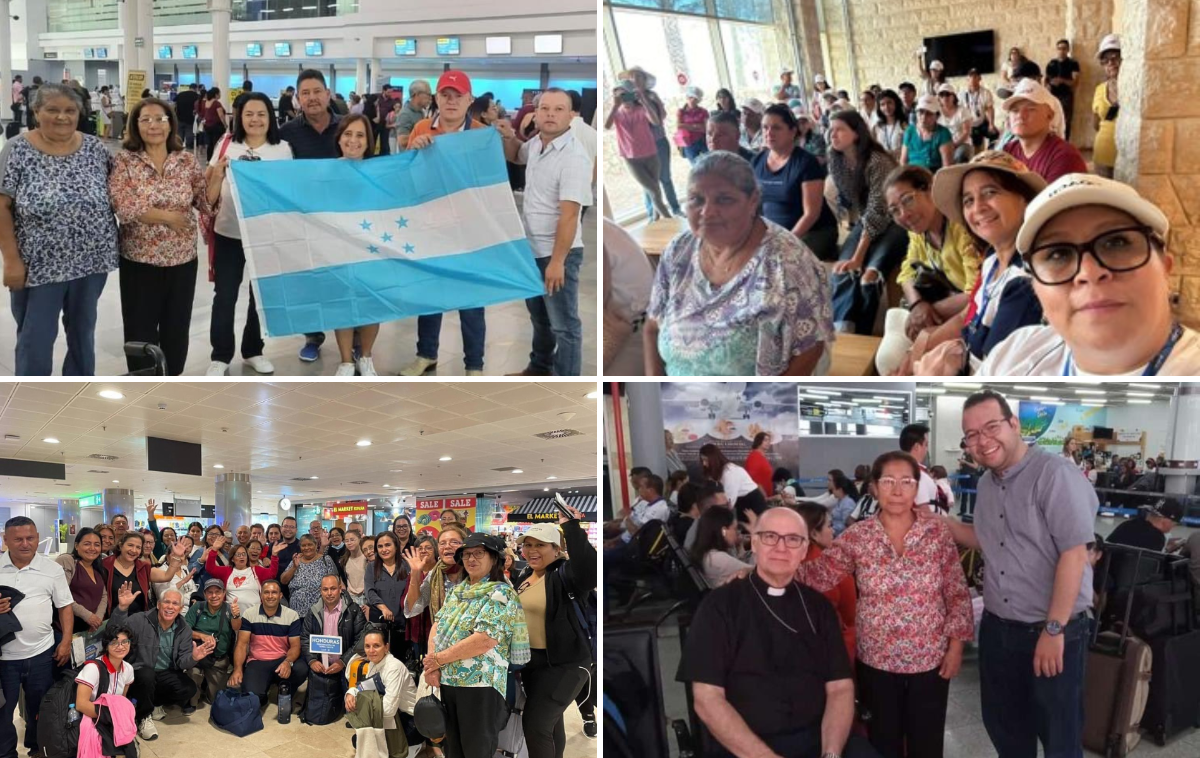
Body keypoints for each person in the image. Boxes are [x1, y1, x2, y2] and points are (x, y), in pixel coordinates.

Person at [944, 390, 1098, 758]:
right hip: (999, 631)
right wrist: (942, 524)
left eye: (991, 427)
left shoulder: (1055, 474)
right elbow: (987, 539)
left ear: (1014, 424)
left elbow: (1074, 555)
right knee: (1005, 729)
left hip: (1053, 631)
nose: (982, 440)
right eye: (972, 434)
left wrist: (1054, 629)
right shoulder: (986, 484)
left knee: (1059, 736)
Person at [797, 452, 973, 758]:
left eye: (906, 482)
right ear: (874, 488)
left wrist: (956, 646)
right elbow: (817, 575)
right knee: (883, 743)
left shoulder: (936, 534)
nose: (897, 490)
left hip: (930, 659)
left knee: (927, 744)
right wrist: (761, 572)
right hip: (876, 660)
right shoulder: (858, 537)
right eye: (888, 481)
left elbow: (956, 592)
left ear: (917, 487)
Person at [676, 507, 877, 758]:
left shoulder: (819, 607)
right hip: (743, 746)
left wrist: (831, 753)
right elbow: (707, 699)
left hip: (820, 738)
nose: (781, 548)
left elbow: (840, 688)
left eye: (793, 539)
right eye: (770, 536)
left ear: (804, 550)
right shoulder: (718, 607)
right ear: (755, 543)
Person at [980, 173, 1200, 375]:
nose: (1089, 272)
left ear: (1165, 267)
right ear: (1036, 288)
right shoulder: (1012, 356)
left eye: (1116, 243)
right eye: (1058, 254)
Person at [644, 150, 833, 375]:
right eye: (696, 199)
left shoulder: (788, 263)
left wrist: (765, 407)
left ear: (752, 201)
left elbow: (810, 350)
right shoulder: (678, 252)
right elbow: (652, 327)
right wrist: (656, 395)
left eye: (724, 199)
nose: (707, 211)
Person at [0, 83, 117, 376]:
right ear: (37, 112)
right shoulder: (17, 149)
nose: (62, 117)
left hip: (92, 262)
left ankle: (78, 392)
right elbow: (1, 207)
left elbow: (120, 190)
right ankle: (31, 397)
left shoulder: (94, 147)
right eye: (52, 110)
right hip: (38, 265)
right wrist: (11, 261)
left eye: (70, 110)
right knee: (35, 339)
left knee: (82, 334)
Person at [907, 151, 1046, 374]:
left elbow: (993, 376)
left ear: (1025, 200)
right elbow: (969, 319)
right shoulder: (992, 260)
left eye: (990, 192)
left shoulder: (1025, 283)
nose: (977, 208)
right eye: (968, 200)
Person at [396, 71, 490, 377]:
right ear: (436, 98)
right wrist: (414, 151)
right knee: (430, 295)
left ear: (469, 100)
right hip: (431, 227)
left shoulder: (480, 134)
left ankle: (474, 364)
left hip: (468, 231)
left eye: (458, 96)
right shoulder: (423, 128)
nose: (451, 102)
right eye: (445, 95)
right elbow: (408, 177)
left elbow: (488, 184)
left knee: (472, 300)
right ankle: (426, 354)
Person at [108, 96, 210, 375]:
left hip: (183, 261)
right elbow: (124, 206)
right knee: (140, 330)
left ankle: (172, 379)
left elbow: (204, 203)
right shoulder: (125, 161)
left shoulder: (186, 160)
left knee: (177, 327)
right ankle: (143, 384)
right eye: (146, 119)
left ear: (171, 124)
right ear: (135, 125)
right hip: (139, 261)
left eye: (160, 119)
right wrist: (169, 217)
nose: (153, 125)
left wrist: (218, 178)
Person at [497, 88, 591, 378]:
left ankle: (566, 383)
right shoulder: (537, 143)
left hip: (557, 253)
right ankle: (539, 367)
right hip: (531, 249)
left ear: (572, 115)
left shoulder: (574, 158)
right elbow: (517, 156)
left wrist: (557, 262)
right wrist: (507, 135)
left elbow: (570, 214)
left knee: (565, 325)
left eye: (559, 109)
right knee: (540, 319)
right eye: (545, 108)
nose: (551, 114)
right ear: (535, 114)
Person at [205, 92, 291, 377]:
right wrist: (218, 174)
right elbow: (209, 188)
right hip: (229, 232)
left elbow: (289, 192)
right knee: (225, 295)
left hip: (266, 235)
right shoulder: (227, 144)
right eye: (249, 114)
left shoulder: (282, 149)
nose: (255, 119)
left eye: (262, 114)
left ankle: (253, 350)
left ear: (271, 117)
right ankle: (220, 355)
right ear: (239, 118)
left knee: (261, 296)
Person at [422, 533, 530, 758]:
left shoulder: (500, 593)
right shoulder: (457, 591)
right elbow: (438, 625)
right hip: (450, 681)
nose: (471, 559)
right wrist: (433, 664)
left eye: (479, 553)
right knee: (453, 747)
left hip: (480, 685)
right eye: (467, 554)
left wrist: (437, 660)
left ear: (494, 558)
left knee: (477, 749)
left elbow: (484, 640)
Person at [513, 511, 595, 758]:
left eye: (540, 545)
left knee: (535, 726)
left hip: (566, 665)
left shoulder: (567, 575)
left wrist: (571, 526)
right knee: (551, 722)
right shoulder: (526, 575)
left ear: (556, 549)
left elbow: (589, 570)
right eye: (528, 545)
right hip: (534, 663)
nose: (531, 550)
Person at [275, 70, 343, 365]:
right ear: (298, 98)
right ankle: (313, 336)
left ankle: (349, 339)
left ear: (328, 94)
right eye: (306, 93)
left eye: (318, 91)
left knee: (341, 277)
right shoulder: (287, 132)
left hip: (343, 218)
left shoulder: (348, 126)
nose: (312, 98)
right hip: (303, 220)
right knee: (309, 279)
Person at [0, 517, 74, 757]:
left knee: (40, 708)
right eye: (18, 539)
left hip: (42, 653)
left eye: (30, 538)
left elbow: (65, 607)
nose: (25, 544)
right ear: (5, 540)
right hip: (4, 657)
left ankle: (37, 748)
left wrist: (65, 642)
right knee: (2, 711)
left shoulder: (51, 569)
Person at [827, 110, 907, 335]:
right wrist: (854, 256)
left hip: (897, 220)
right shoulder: (836, 160)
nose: (833, 134)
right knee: (843, 270)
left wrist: (859, 255)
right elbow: (857, 205)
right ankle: (843, 329)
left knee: (869, 274)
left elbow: (878, 211)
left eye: (840, 129)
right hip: (867, 220)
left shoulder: (877, 161)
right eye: (831, 129)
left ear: (856, 133)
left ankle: (863, 333)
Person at [886, 165, 981, 343]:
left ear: (930, 190)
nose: (904, 214)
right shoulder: (918, 232)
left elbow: (976, 293)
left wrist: (929, 310)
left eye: (907, 200)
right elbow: (906, 273)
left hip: (973, 314)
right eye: (894, 210)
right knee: (893, 318)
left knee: (894, 349)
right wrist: (917, 305)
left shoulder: (961, 227)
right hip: (945, 305)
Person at [109, 583, 214, 738]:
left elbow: (181, 662)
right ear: (158, 604)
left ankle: (153, 702)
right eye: (166, 602)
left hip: (165, 672)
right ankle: (144, 716)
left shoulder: (184, 629)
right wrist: (122, 608)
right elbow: (113, 632)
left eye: (175, 603)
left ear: (180, 608)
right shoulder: (140, 620)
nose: (170, 607)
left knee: (188, 689)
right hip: (139, 672)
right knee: (147, 675)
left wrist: (193, 657)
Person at [752, 104, 839, 262]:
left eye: (776, 128)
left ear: (792, 132)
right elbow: (754, 206)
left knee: (781, 263)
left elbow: (811, 214)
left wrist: (786, 242)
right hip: (773, 234)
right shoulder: (757, 161)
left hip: (813, 232)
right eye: (765, 127)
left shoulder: (806, 162)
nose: (769, 133)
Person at [227, 579, 308, 712]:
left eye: (274, 592)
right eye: (266, 592)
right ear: (261, 595)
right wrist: (237, 669)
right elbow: (242, 644)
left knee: (301, 668)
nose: (270, 596)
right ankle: (262, 693)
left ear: (280, 595)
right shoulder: (249, 614)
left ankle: (285, 688)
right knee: (253, 698)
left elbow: (295, 646)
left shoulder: (291, 615)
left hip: (281, 660)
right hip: (258, 661)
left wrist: (288, 662)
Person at [792, 502, 857, 665]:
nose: (833, 530)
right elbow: (851, 616)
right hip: (833, 654)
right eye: (829, 525)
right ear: (814, 533)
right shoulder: (834, 569)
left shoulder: (780, 564)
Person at [605, 80, 671, 220]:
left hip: (651, 154)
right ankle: (670, 219)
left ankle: (655, 219)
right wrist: (615, 105)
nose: (625, 99)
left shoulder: (641, 109)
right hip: (631, 158)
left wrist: (643, 100)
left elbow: (655, 121)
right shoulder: (617, 113)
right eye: (622, 96)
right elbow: (606, 126)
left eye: (628, 95)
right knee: (653, 190)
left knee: (655, 189)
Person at [623, 65, 683, 218]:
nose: (635, 80)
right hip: (642, 146)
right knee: (648, 183)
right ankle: (652, 214)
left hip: (659, 141)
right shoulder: (628, 98)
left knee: (665, 178)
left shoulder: (652, 95)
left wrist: (652, 101)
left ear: (644, 80)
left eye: (638, 77)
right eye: (632, 77)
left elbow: (661, 117)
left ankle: (675, 209)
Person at [343, 626, 413, 758]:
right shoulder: (372, 664)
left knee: (364, 738)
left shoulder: (393, 668)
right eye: (367, 646)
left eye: (376, 646)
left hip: (407, 719)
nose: (371, 651)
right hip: (392, 714)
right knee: (359, 739)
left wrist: (364, 713)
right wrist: (351, 693)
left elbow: (389, 710)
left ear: (386, 647)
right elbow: (363, 688)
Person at [1000, 79, 1087, 184]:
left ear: (1050, 115)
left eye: (1031, 109)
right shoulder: (1009, 151)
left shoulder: (1065, 156)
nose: (1021, 116)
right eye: (1015, 110)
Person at [301, 574, 365, 714]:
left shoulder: (353, 611)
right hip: (321, 666)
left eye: (333, 589)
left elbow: (360, 640)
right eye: (325, 589)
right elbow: (305, 638)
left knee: (351, 712)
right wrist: (312, 661)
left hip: (345, 666)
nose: (329, 593)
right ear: (320, 591)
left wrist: (343, 661)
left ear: (340, 589)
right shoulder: (313, 612)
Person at [185, 577, 242, 703]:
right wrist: (202, 636)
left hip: (218, 659)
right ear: (205, 594)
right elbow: (184, 630)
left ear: (224, 593)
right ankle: (192, 698)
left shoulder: (229, 609)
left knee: (216, 700)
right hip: (197, 657)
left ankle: (208, 687)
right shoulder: (197, 607)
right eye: (210, 592)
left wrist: (236, 615)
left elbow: (236, 627)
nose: (214, 595)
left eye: (218, 592)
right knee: (191, 692)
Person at [103, 533, 188, 617]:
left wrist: (176, 556)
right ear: (121, 545)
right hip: (111, 618)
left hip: (138, 619)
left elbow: (166, 576)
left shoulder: (143, 567)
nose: (134, 550)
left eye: (138, 547)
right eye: (130, 545)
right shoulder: (105, 565)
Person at [73, 622, 136, 732]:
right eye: (114, 643)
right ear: (106, 646)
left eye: (125, 642)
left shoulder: (128, 669)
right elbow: (81, 704)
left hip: (112, 721)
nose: (121, 646)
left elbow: (122, 700)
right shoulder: (93, 668)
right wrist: (110, 717)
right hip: (92, 720)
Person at [204, 533, 281, 611]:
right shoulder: (227, 571)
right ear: (232, 559)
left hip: (254, 615)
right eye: (238, 554)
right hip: (232, 615)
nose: (242, 556)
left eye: (244, 554)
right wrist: (214, 550)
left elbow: (272, 573)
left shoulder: (256, 570)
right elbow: (210, 568)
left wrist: (274, 555)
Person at [56, 527, 109, 635]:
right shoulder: (67, 561)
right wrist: (88, 616)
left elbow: (103, 595)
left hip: (90, 628)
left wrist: (97, 619)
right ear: (76, 546)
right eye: (87, 544)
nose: (92, 548)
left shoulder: (98, 567)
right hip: (66, 629)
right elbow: (61, 595)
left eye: (97, 545)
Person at [700, 443, 768, 526]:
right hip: (742, 503)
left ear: (713, 459)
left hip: (752, 504)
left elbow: (729, 501)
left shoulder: (730, 472)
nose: (704, 464)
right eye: (702, 460)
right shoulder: (720, 472)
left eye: (706, 460)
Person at [365, 531, 410, 654]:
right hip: (379, 622)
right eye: (380, 546)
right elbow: (369, 591)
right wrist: (383, 607)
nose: (384, 549)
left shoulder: (407, 566)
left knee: (400, 660)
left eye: (388, 545)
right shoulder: (371, 567)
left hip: (403, 622)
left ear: (396, 546)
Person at [690, 506, 754, 587]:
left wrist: (740, 547)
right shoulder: (717, 558)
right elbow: (759, 573)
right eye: (735, 529)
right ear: (724, 531)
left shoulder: (708, 553)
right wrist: (756, 534)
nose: (737, 532)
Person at [400, 534, 437, 657]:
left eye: (428, 548)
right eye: (420, 548)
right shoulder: (414, 572)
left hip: (435, 627)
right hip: (416, 623)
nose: (423, 551)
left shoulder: (440, 571)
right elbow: (407, 602)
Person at [282, 534, 339, 614]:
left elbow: (335, 583)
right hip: (296, 612)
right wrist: (294, 567)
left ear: (316, 545)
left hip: (319, 612)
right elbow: (283, 580)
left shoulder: (325, 560)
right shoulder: (296, 560)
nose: (307, 548)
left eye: (310, 545)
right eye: (303, 545)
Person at [1092, 34, 1121, 179]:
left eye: (1115, 57)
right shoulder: (1099, 89)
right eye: (1105, 60)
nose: (1110, 63)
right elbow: (1096, 123)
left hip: (1128, 155)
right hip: (1103, 153)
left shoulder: (1134, 88)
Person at [900, 94, 953, 171]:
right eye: (921, 112)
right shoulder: (909, 131)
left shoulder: (943, 133)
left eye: (929, 113)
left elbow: (947, 167)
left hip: (933, 175)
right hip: (911, 173)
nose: (924, 117)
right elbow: (903, 161)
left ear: (937, 116)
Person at [1105, 501, 1182, 552]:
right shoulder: (1157, 538)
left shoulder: (1127, 525)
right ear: (1166, 521)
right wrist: (1168, 549)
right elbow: (1151, 565)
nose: (1173, 527)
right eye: (1174, 524)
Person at [899, 422, 941, 510]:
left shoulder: (896, 471)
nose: (926, 449)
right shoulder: (918, 475)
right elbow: (924, 513)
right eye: (926, 444)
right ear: (917, 446)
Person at [1046, 39, 1081, 142]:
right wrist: (1048, 86)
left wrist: (1062, 81)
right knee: (1051, 119)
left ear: (1068, 50)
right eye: (1059, 48)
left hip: (1066, 95)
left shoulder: (1073, 63)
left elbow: (1075, 82)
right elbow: (1046, 80)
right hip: (1052, 95)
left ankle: (1065, 144)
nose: (1061, 51)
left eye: (1064, 48)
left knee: (1066, 121)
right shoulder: (1051, 63)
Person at [936, 84, 973, 164]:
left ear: (953, 96)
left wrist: (954, 145)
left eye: (947, 94)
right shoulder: (936, 112)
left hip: (961, 143)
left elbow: (966, 132)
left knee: (959, 155)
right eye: (942, 95)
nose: (945, 97)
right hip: (943, 145)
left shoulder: (962, 111)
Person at [962, 69, 996, 152]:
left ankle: (990, 154)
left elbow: (989, 109)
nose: (973, 79)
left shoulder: (985, 93)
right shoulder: (962, 94)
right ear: (967, 79)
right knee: (977, 145)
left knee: (995, 134)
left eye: (975, 76)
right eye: (970, 77)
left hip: (982, 122)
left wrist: (991, 124)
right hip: (970, 125)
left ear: (979, 78)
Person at [674, 86, 709, 164]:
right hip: (688, 143)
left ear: (698, 100)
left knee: (710, 163)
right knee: (696, 167)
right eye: (691, 97)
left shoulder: (703, 111)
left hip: (703, 141)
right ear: (687, 98)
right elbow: (679, 126)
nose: (693, 100)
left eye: (695, 99)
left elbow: (706, 128)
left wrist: (687, 126)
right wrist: (697, 126)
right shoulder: (681, 112)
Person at [395, 79, 431, 150]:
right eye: (428, 94)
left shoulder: (420, 112)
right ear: (417, 94)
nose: (430, 98)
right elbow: (402, 141)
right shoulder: (405, 114)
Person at [872, 89, 907, 158]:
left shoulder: (904, 125)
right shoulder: (877, 127)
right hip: (882, 164)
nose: (886, 107)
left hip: (900, 164)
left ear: (896, 103)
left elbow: (909, 148)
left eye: (889, 102)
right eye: (882, 104)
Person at [828, 470, 858, 536]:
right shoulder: (839, 501)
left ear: (840, 489)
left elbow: (847, 526)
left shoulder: (848, 503)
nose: (832, 492)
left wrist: (832, 529)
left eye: (834, 490)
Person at [744, 432, 775, 497]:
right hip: (760, 497)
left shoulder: (761, 456)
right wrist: (764, 497)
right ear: (759, 441)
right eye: (765, 440)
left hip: (767, 496)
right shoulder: (754, 456)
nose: (768, 443)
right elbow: (753, 479)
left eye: (769, 440)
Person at [201, 87, 227, 161]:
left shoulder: (206, 102)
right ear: (216, 94)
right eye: (219, 93)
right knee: (217, 143)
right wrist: (225, 125)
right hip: (216, 126)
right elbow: (221, 115)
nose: (220, 95)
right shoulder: (216, 103)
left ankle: (209, 159)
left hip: (207, 125)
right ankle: (216, 159)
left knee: (210, 144)